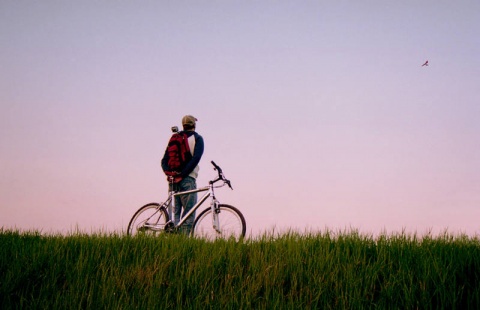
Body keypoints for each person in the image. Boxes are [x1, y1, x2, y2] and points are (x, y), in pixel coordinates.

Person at [161, 115, 204, 234]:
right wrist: (183, 174)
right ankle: (182, 242)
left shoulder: (175, 139)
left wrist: (169, 173)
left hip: (173, 180)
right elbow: (196, 159)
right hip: (188, 179)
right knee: (188, 214)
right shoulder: (197, 138)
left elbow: (164, 160)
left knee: (175, 214)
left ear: (183, 125)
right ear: (194, 125)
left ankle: (173, 241)